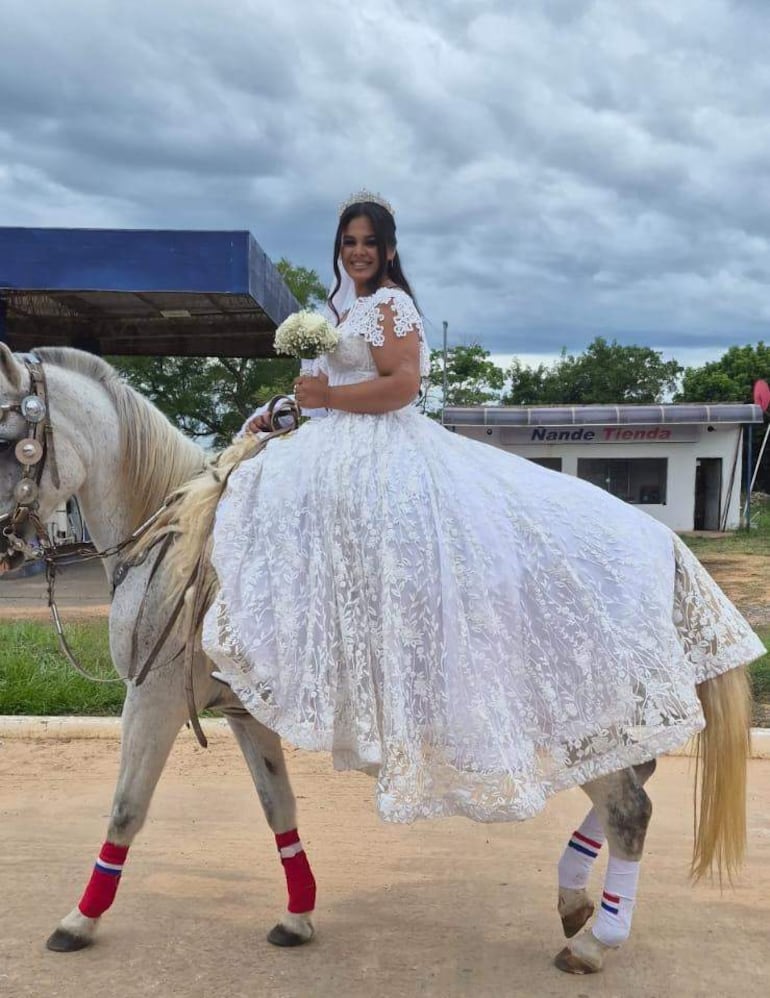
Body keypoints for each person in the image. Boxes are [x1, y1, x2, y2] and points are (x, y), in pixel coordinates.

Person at [202, 191, 764, 826]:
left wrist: (327, 393)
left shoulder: (391, 304)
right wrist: (294, 404)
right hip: (330, 439)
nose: (357, 253)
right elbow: (332, 392)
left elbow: (402, 387)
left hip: (382, 442)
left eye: (368, 243)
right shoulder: (337, 309)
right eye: (348, 242)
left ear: (387, 250)